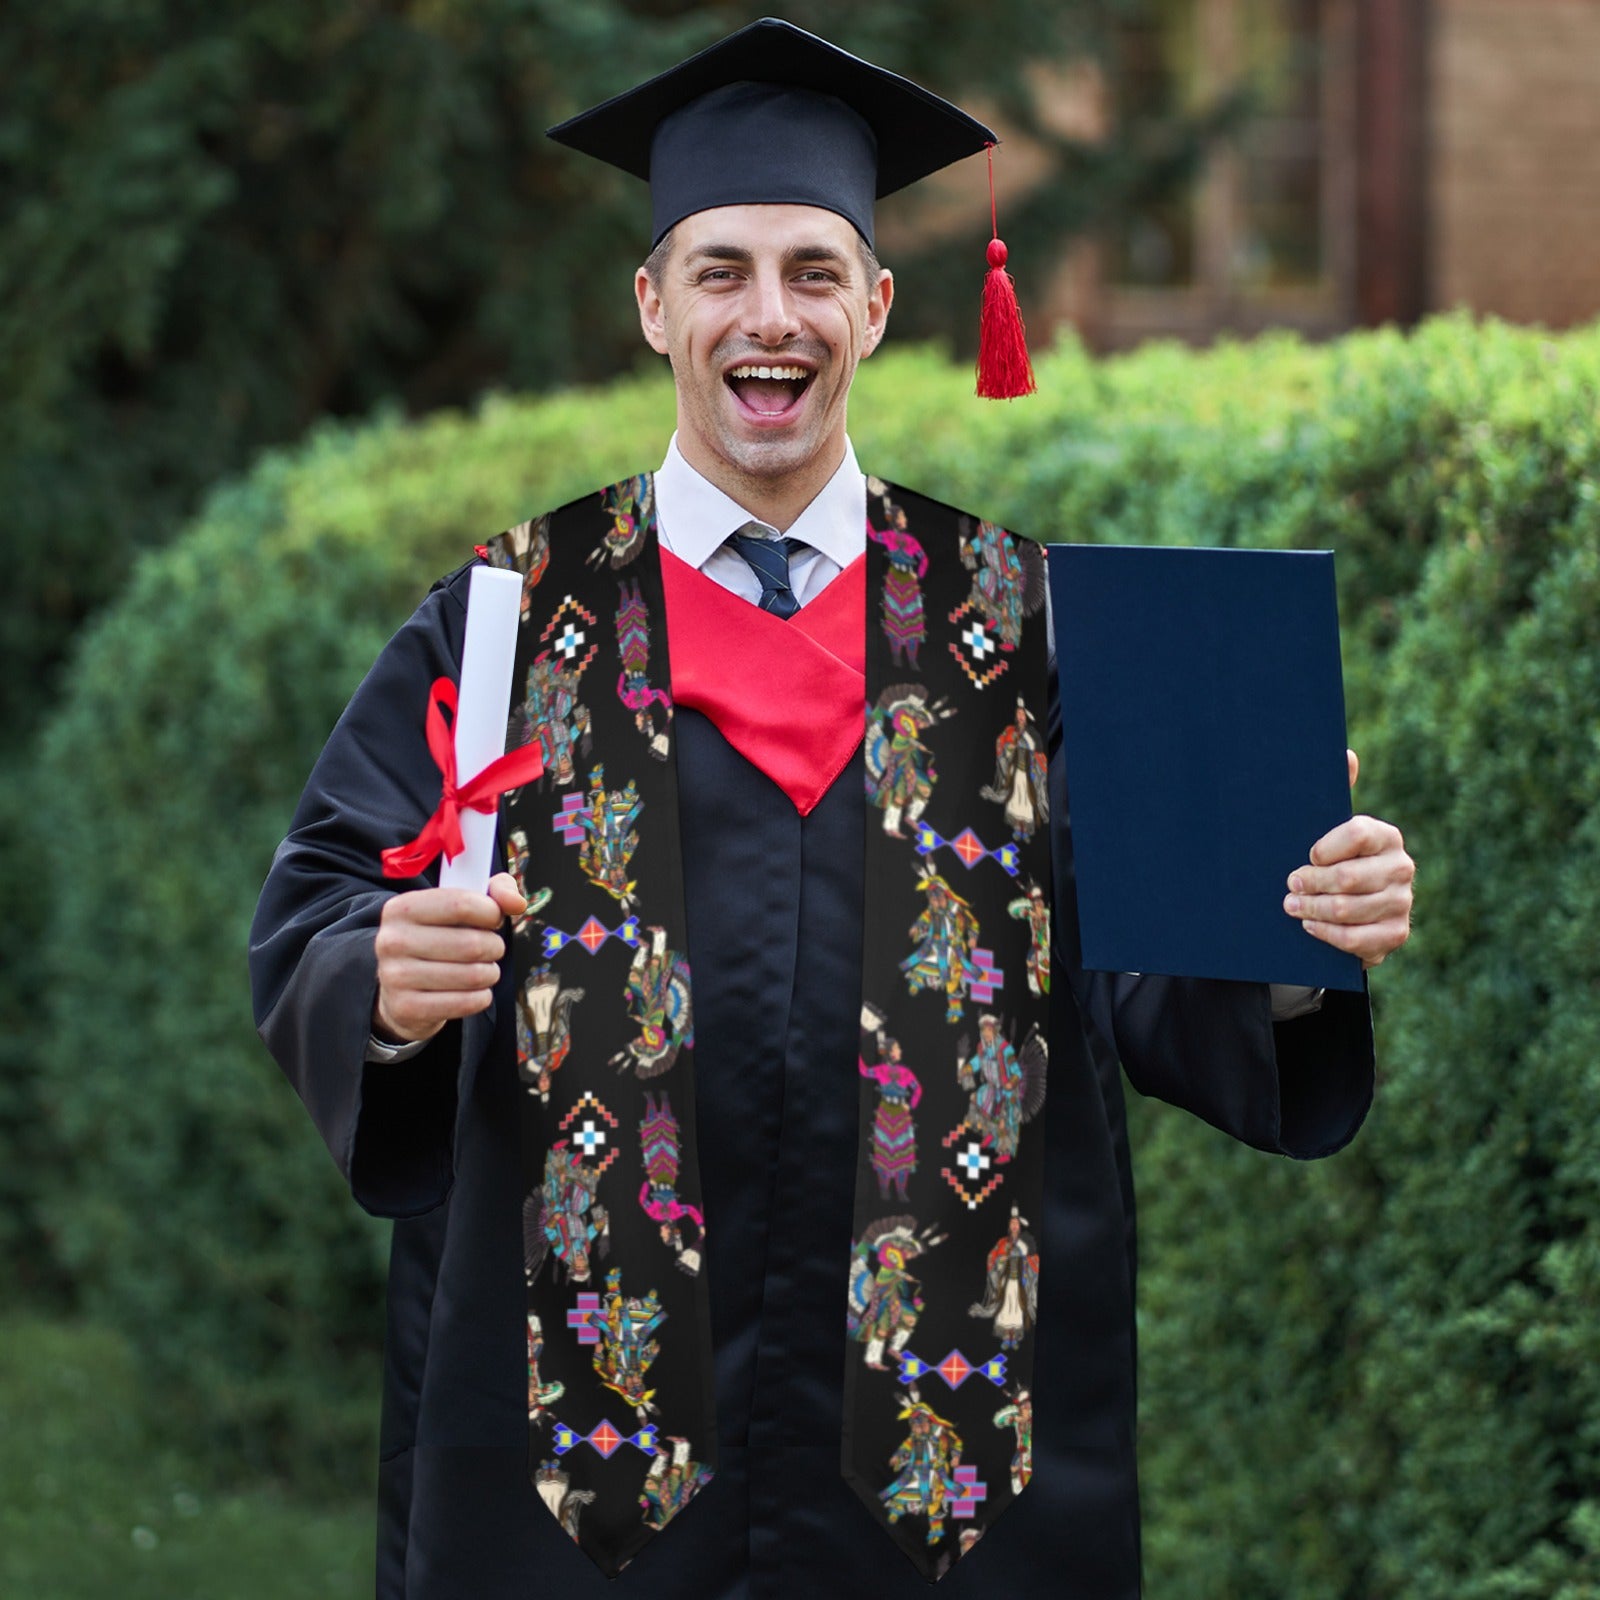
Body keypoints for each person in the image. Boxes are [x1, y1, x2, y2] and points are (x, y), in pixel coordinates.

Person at [249, 19, 1414, 1600]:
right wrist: (378, 984)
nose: (768, 316)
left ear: (877, 304)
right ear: (654, 305)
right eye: (721, 270)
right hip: (584, 1460)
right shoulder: (513, 623)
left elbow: (1154, 973)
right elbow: (324, 900)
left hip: (956, 1464)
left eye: (812, 270)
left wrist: (1293, 931)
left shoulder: (1025, 629)